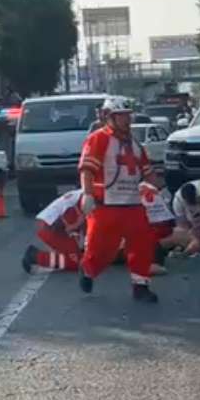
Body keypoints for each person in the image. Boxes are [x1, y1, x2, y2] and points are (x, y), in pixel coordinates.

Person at [78, 97, 160, 303]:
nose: (126, 120)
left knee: (142, 245)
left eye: (127, 115)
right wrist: (87, 194)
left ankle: (140, 286)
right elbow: (87, 170)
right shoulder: (99, 139)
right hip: (105, 205)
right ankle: (88, 270)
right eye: (121, 116)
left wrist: (157, 188)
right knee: (102, 249)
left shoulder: (134, 143)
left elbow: (147, 170)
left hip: (133, 204)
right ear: (108, 117)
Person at [22, 189, 87, 273]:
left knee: (80, 255)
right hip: (49, 226)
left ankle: (36, 255)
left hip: (48, 223)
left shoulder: (83, 194)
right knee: (77, 262)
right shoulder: (86, 198)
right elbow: (71, 224)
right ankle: (36, 257)